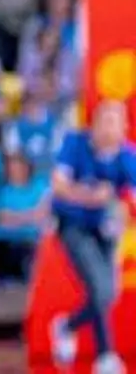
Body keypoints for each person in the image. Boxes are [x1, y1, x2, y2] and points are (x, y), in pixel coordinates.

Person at [50, 98, 136, 373]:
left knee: (106, 293)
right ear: (94, 124)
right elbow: (59, 187)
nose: (112, 129)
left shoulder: (127, 156)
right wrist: (89, 198)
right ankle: (105, 355)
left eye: (118, 122)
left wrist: (122, 209)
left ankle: (68, 327)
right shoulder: (74, 144)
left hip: (107, 230)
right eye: (107, 120)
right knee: (101, 289)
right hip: (73, 225)